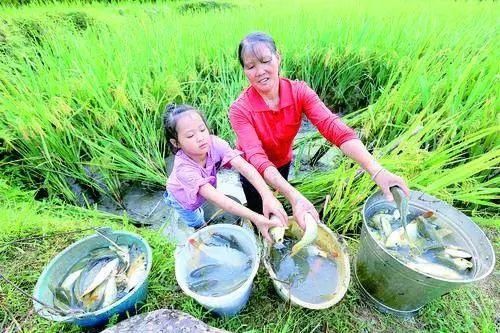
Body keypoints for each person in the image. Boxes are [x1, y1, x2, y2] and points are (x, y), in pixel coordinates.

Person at [229, 32, 409, 229]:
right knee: (259, 212)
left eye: (265, 61)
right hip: (252, 170)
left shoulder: (299, 92)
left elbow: (334, 128)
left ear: (278, 57)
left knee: (281, 194)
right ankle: (259, 232)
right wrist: (296, 197)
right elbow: (256, 158)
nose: (260, 71)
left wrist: (377, 171)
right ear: (244, 70)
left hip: (282, 160)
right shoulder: (240, 110)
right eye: (250, 66)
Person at [163, 103, 287, 242]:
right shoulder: (184, 170)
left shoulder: (214, 144)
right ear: (176, 143)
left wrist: (267, 195)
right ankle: (201, 230)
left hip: (201, 188)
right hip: (181, 198)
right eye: (190, 136)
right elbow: (220, 200)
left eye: (202, 130)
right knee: (196, 220)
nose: (200, 138)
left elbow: (245, 167)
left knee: (204, 203)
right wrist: (255, 217)